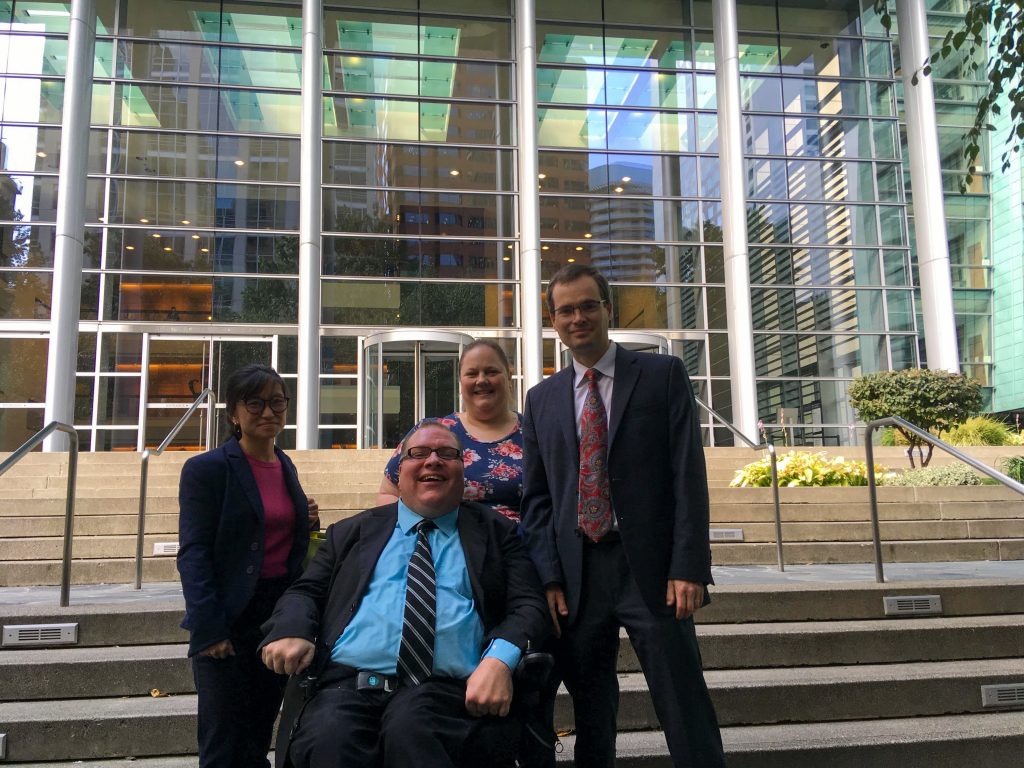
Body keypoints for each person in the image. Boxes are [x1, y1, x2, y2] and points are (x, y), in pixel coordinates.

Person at [520, 264, 726, 768]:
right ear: (553, 321)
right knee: (592, 708)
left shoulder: (661, 375)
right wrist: (548, 576)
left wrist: (688, 566)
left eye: (588, 305)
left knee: (682, 699)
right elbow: (538, 499)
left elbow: (686, 475)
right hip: (578, 575)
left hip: (652, 572)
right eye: (565, 310)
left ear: (608, 310)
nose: (578, 317)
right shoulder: (541, 399)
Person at [260, 420, 548, 768]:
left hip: (447, 692)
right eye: (418, 453)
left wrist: (499, 659)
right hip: (348, 685)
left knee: (414, 732)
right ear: (398, 471)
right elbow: (305, 591)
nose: (433, 461)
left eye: (447, 453)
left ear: (463, 471)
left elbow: (528, 605)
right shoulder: (351, 533)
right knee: (330, 740)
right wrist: (292, 628)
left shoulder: (497, 533)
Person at [177, 364, 320, 768]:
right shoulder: (208, 469)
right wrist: (209, 631)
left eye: (277, 402)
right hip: (227, 617)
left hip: (275, 618)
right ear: (233, 413)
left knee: (259, 731)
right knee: (223, 739)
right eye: (255, 402)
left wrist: (306, 520)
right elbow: (194, 553)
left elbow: (276, 532)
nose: (268, 411)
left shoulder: (284, 464)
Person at [377, 339, 523, 522]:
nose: (482, 380)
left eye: (491, 372)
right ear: (460, 382)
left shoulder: (535, 433)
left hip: (520, 547)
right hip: (443, 547)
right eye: (472, 374)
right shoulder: (430, 432)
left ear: (509, 377)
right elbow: (388, 493)